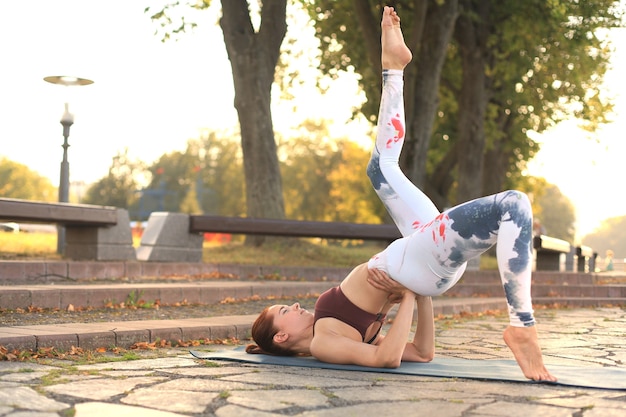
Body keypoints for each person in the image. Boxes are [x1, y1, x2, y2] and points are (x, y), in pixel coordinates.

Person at [246, 6, 556, 382]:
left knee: (380, 168)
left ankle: (394, 68)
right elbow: (388, 360)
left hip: (417, 256)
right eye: (284, 309)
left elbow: (423, 354)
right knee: (513, 204)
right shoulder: (323, 343)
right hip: (416, 265)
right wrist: (410, 291)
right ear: (283, 335)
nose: (294, 305)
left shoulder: (332, 329)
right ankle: (522, 327)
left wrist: (419, 296)